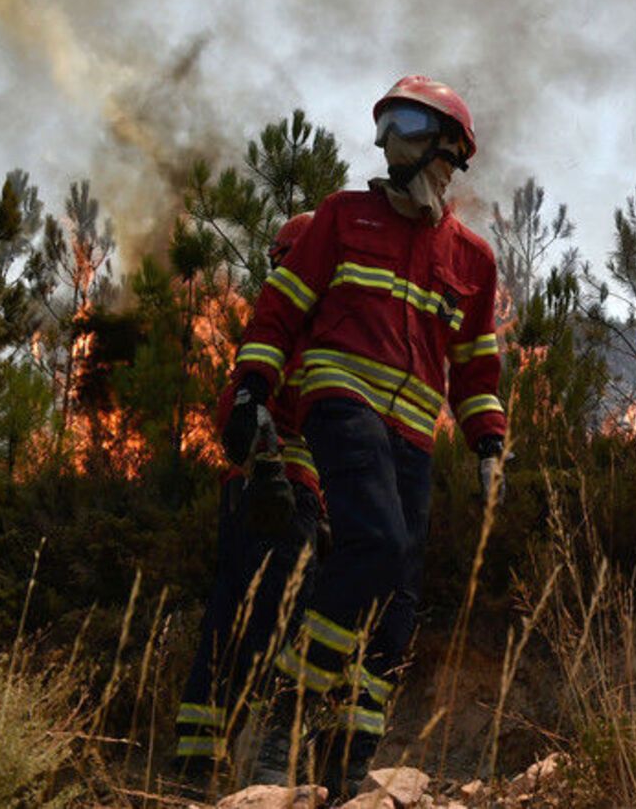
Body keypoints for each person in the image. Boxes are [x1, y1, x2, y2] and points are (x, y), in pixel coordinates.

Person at [220, 75, 507, 798]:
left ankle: (346, 758)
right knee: (374, 544)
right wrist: (253, 386)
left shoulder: (472, 259)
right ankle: (283, 722)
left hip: (412, 434)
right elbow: (281, 306)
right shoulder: (344, 217)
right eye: (383, 123)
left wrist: (487, 439)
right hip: (340, 405)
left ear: (451, 147)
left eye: (406, 122)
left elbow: (474, 363)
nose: (386, 139)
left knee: (399, 600)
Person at [174, 212, 325, 791]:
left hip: (244, 497)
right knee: (280, 626)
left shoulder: (267, 328)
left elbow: (231, 411)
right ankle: (264, 765)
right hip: (282, 500)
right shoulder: (302, 328)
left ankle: (196, 764)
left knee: (226, 622)